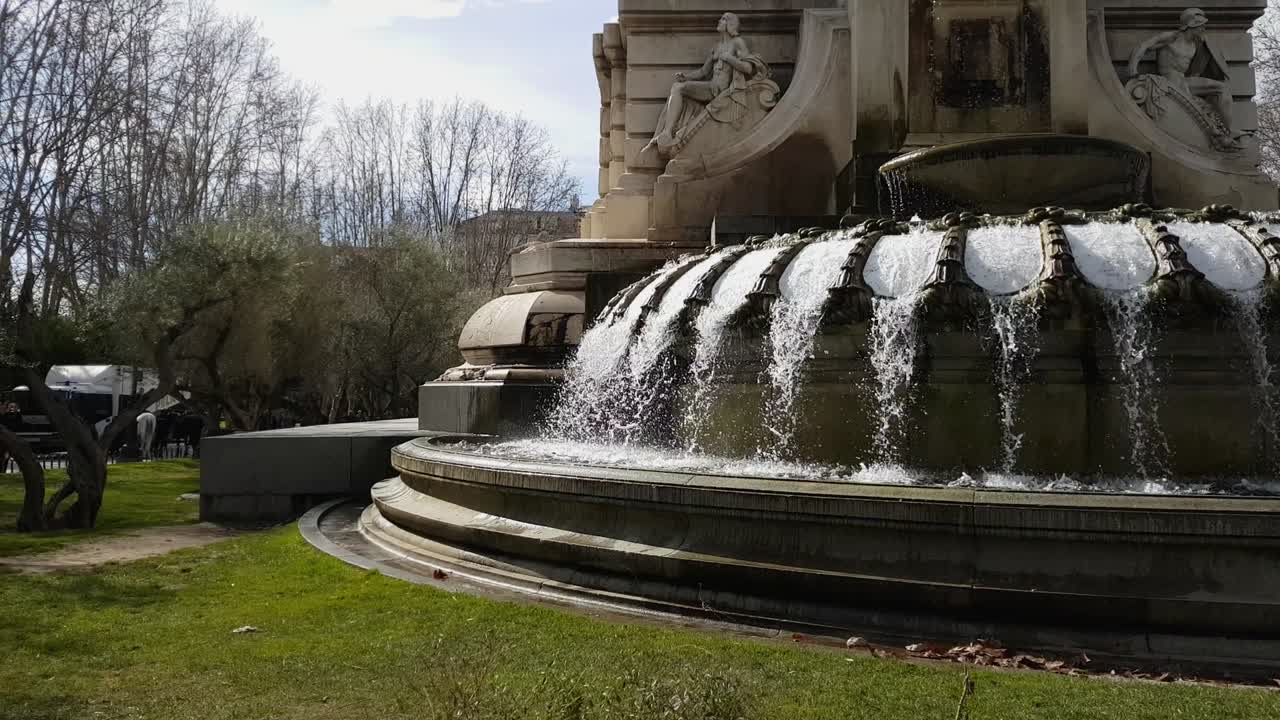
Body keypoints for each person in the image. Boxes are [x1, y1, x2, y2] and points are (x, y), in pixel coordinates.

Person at [645, 12, 758, 153]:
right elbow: (704, 72)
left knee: (678, 89)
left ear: (730, 24)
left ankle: (667, 133)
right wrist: (686, 77)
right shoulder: (716, 47)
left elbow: (748, 68)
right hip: (711, 86)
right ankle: (662, 134)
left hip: (720, 90)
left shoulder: (737, 43)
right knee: (676, 88)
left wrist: (729, 58)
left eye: (723, 19)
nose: (719, 21)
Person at [1127, 8, 1242, 146]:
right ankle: (1215, 132)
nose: (1203, 29)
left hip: (1185, 81)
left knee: (1222, 88)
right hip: (1169, 80)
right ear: (1192, 25)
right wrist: (1133, 69)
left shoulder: (1196, 44)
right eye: (1201, 26)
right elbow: (1142, 46)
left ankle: (1231, 130)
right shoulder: (1171, 38)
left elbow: (1200, 67)